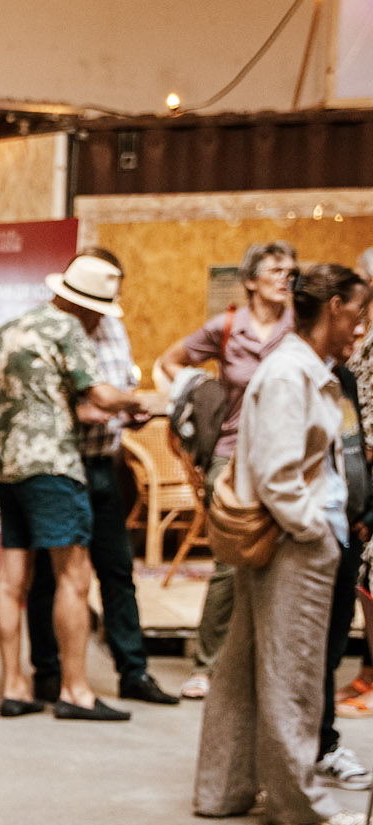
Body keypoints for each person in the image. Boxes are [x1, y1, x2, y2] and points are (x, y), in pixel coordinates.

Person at [195, 264, 373, 825]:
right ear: (335, 307)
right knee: (292, 676)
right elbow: (277, 475)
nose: (362, 327)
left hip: (294, 541)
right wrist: (314, 531)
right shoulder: (289, 373)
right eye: (359, 312)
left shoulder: (304, 369)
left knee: (248, 669)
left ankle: (224, 789)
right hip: (296, 545)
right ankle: (299, 805)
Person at [0, 254, 143, 719]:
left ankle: (14, 686)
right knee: (74, 577)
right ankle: (75, 692)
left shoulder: (8, 330)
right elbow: (100, 394)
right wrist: (135, 402)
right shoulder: (68, 328)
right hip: (54, 468)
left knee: (11, 580)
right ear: (85, 305)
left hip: (7, 467)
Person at [26, 249, 181, 707]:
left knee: (117, 570)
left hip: (104, 463)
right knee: (49, 577)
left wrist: (125, 408)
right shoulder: (43, 330)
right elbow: (42, 405)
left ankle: (134, 671)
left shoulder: (112, 326)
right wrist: (107, 405)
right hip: (59, 469)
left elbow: (116, 391)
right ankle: (49, 673)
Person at [158, 241, 297, 698]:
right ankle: (207, 666)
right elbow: (170, 360)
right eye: (276, 270)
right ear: (251, 280)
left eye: (291, 272)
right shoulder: (226, 326)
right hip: (231, 455)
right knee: (228, 562)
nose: (286, 278)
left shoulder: (298, 326)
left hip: (286, 456)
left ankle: (267, 668)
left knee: (283, 562)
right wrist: (197, 392)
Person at [317, 349, 373, 790]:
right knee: (307, 649)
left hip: (350, 528)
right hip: (311, 533)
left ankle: (324, 741)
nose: (360, 331)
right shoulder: (292, 372)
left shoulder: (344, 378)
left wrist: (366, 511)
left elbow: (353, 448)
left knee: (334, 645)